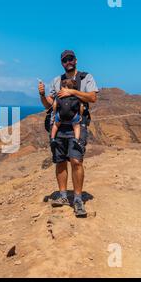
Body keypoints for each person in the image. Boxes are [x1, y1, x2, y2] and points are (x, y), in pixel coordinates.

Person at [38, 50, 99, 217]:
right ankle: (64, 195)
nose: (68, 62)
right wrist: (43, 94)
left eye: (70, 59)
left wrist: (72, 92)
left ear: (76, 60)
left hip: (77, 125)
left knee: (76, 160)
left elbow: (93, 97)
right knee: (60, 161)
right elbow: (49, 105)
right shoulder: (56, 81)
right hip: (59, 126)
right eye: (65, 60)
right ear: (62, 63)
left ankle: (78, 199)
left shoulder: (86, 78)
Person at [50, 78, 85, 154]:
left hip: (60, 115)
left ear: (65, 87)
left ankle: (52, 138)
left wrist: (55, 113)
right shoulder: (76, 96)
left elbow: (55, 105)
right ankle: (76, 139)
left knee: (55, 125)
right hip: (73, 116)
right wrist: (80, 115)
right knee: (76, 126)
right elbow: (81, 106)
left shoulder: (58, 96)